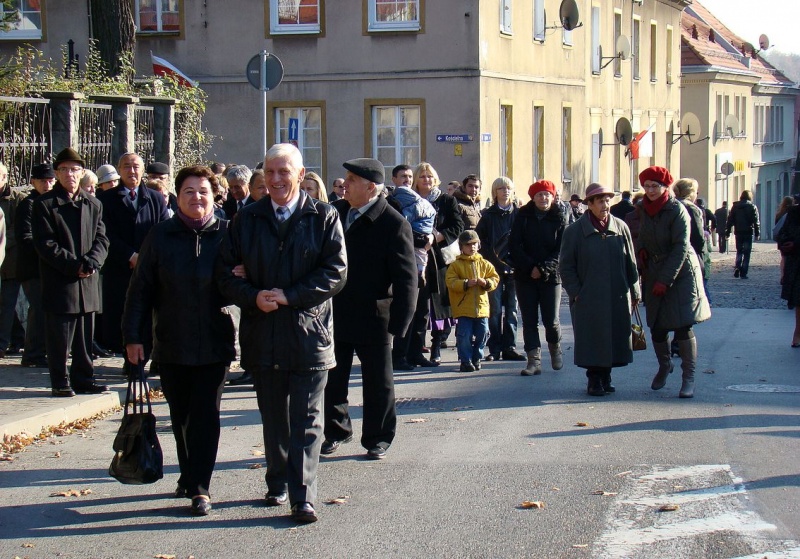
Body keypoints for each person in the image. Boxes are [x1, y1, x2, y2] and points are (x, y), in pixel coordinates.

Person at [216, 143, 346, 524]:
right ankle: (277, 480)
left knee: (307, 418)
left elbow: (335, 272)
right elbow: (224, 274)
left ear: (301, 175)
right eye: (269, 172)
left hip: (310, 333)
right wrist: (254, 296)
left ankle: (302, 495)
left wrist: (290, 296)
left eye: (283, 172)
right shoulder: (247, 218)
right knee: (273, 417)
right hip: (263, 332)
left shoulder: (323, 217)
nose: (275, 180)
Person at [123, 165, 234, 517]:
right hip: (171, 341)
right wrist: (133, 337)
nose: (196, 197)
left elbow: (252, 277)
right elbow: (139, 291)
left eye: (203, 191)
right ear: (177, 195)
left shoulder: (229, 235)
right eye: (189, 191)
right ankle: (188, 475)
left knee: (205, 415)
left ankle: (200, 487)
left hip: (215, 342)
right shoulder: (160, 236)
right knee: (181, 414)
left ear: (214, 195)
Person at [322, 158, 416, 460]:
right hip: (335, 313)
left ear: (371, 187)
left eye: (352, 179)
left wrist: (400, 325)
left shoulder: (392, 222)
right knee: (332, 379)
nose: (344, 184)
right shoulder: (335, 213)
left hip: (375, 316)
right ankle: (336, 430)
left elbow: (406, 278)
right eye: (345, 177)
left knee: (378, 383)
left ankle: (378, 437)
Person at [31, 148, 109, 397]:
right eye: (64, 170)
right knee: (60, 337)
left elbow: (102, 238)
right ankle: (60, 381)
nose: (70, 174)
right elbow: (46, 244)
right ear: (57, 174)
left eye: (75, 169)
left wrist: (92, 263)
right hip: (61, 281)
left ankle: (84, 378)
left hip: (88, 281)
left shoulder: (93, 203)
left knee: (86, 337)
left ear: (82, 172)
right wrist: (74, 265)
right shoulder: (44, 205)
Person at [560, 183, 641, 396]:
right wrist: (577, 292)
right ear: (590, 204)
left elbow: (630, 260)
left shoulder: (620, 227)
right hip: (588, 295)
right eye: (600, 201)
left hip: (617, 292)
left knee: (614, 335)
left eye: (607, 200)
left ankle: (606, 376)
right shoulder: (575, 231)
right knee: (592, 336)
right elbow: (566, 266)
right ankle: (594, 378)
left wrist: (635, 290)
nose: (605, 205)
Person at [637, 166, 710, 399]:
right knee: (656, 325)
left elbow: (681, 247)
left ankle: (688, 377)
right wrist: (641, 256)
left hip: (681, 272)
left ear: (665, 187)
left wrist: (665, 280)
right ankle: (664, 365)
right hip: (654, 269)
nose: (650, 190)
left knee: (681, 324)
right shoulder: (642, 209)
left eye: (655, 186)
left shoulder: (677, 209)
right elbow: (640, 238)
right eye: (647, 186)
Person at [98, 152, 170, 354]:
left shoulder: (155, 198)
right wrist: (130, 256)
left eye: (136, 166)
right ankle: (126, 356)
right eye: (127, 167)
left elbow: (163, 231)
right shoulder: (105, 199)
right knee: (120, 315)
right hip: (119, 268)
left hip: (150, 268)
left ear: (143, 170)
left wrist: (146, 257)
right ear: (119, 170)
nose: (132, 171)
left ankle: (150, 356)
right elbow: (105, 233)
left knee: (150, 316)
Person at [394, 162, 464, 370]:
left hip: (436, 258)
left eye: (430, 177)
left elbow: (457, 225)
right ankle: (402, 353)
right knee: (410, 307)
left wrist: (435, 237)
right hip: (410, 256)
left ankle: (419, 350)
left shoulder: (446, 200)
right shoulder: (405, 199)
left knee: (425, 309)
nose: (426, 180)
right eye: (422, 176)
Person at [510, 180, 567, 376]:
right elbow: (514, 245)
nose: (543, 198)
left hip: (551, 277)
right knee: (529, 320)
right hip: (525, 276)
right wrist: (530, 267)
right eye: (539, 195)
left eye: (547, 195)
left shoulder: (560, 217)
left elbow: (562, 249)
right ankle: (533, 360)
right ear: (532, 198)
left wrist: (543, 269)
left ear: (553, 197)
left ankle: (555, 348)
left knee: (551, 320)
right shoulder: (522, 216)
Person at [475, 176, 524, 362]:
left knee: (512, 308)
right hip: (493, 269)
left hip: (515, 268)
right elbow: (482, 242)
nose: (505, 191)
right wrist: (496, 262)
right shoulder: (488, 215)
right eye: (501, 188)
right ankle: (494, 348)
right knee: (494, 310)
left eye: (508, 188)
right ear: (495, 192)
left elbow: (523, 241)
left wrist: (514, 262)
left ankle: (510, 347)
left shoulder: (519, 214)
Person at [15, 163, 56, 368]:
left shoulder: (51, 202)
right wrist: (48, 250)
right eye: (42, 181)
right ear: (33, 182)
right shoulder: (28, 204)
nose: (47, 184)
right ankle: (32, 353)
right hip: (32, 268)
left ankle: (43, 350)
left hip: (48, 268)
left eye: (50, 180)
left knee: (47, 309)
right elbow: (25, 237)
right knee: (38, 309)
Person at [445, 230, 499, 372]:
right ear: (462, 247)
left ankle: (477, 357)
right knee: (465, 336)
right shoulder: (455, 265)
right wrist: (465, 283)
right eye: (468, 245)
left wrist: (486, 283)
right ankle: (465, 360)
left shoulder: (484, 263)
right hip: (463, 308)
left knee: (483, 333)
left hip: (481, 307)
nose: (472, 247)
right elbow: (450, 281)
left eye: (474, 244)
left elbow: (495, 278)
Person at [386, 167, 436, 283]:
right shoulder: (389, 202)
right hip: (399, 253)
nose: (407, 179)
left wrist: (431, 236)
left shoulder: (419, 200)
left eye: (410, 176)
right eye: (403, 176)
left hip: (421, 244)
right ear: (394, 179)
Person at [0, 160, 26, 357]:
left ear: (4, 177)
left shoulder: (19, 200)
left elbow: (18, 230)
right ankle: (18, 336)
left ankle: (1, 344)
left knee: (6, 302)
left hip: (12, 261)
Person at [673, 179, 711, 306]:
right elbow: (698, 237)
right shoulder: (692, 208)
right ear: (690, 193)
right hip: (691, 252)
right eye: (696, 191)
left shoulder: (672, 205)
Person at [775, 200, 800, 346]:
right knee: (799, 301)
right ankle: (797, 333)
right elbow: (781, 234)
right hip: (797, 262)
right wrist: (787, 244)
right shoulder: (794, 212)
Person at [725, 190, 760, 279]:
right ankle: (743, 272)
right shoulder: (752, 206)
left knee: (739, 251)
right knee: (747, 253)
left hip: (738, 232)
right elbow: (756, 221)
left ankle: (737, 266)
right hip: (748, 232)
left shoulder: (735, 206)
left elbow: (730, 220)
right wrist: (757, 233)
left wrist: (728, 232)